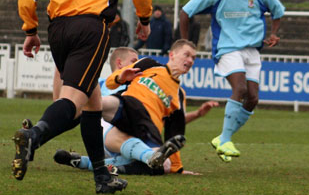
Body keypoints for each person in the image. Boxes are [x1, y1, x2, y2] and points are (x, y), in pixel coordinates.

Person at [15, 0, 153, 194]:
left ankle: (103, 178)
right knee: (74, 104)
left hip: (58, 30)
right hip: (90, 28)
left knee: (93, 103)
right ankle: (33, 136)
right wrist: (144, 18)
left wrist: (30, 29)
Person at [55, 42, 218, 175]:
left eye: (194, 58)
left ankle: (84, 162)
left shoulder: (179, 94)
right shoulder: (146, 67)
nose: (190, 60)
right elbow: (110, 82)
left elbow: (175, 130)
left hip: (133, 135)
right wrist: (120, 76)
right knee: (100, 109)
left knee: (164, 165)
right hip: (110, 130)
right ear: (172, 55)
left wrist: (178, 168)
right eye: (187, 55)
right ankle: (43, 129)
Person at [179, 0, 285, 163]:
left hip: (252, 51)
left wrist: (274, 33)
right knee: (241, 89)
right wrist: (185, 42)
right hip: (227, 49)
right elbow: (186, 12)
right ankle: (226, 139)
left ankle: (222, 138)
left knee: (253, 98)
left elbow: (278, 11)